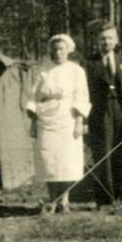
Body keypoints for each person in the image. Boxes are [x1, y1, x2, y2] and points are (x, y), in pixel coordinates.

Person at [27, 34, 90, 214]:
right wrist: (33, 122)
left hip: (67, 118)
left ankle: (65, 199)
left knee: (67, 161)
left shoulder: (77, 71)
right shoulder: (42, 71)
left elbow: (81, 96)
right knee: (50, 161)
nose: (57, 53)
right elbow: (33, 97)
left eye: (61, 49)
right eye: (54, 49)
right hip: (46, 118)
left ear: (68, 50)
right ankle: (52, 199)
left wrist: (79, 122)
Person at [85, 24, 122, 211]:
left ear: (116, 40)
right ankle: (104, 198)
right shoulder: (89, 63)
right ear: (97, 41)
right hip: (100, 112)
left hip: (120, 112)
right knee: (103, 153)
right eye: (102, 38)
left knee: (121, 152)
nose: (106, 42)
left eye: (110, 38)